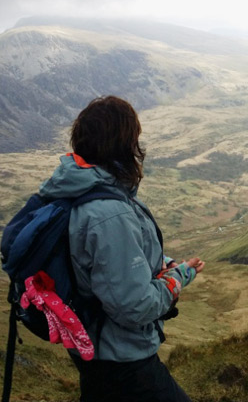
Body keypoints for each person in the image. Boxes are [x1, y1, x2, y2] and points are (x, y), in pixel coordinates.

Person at [38, 95, 204, 401]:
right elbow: (135, 306)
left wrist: (162, 264)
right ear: (123, 144)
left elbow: (107, 260)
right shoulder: (109, 212)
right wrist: (178, 277)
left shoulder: (82, 188)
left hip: (93, 348)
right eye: (134, 139)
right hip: (120, 358)